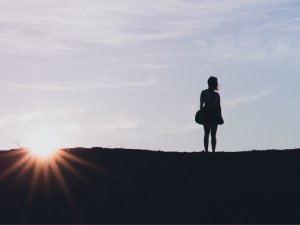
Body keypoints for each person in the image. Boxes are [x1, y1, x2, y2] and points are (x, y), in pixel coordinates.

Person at [200, 76, 224, 153]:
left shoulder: (217, 95)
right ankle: (207, 151)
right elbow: (201, 105)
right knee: (207, 133)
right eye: (215, 83)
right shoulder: (204, 92)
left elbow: (219, 107)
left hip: (214, 114)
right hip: (207, 113)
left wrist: (220, 116)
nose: (216, 84)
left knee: (213, 134)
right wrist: (202, 114)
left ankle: (213, 151)